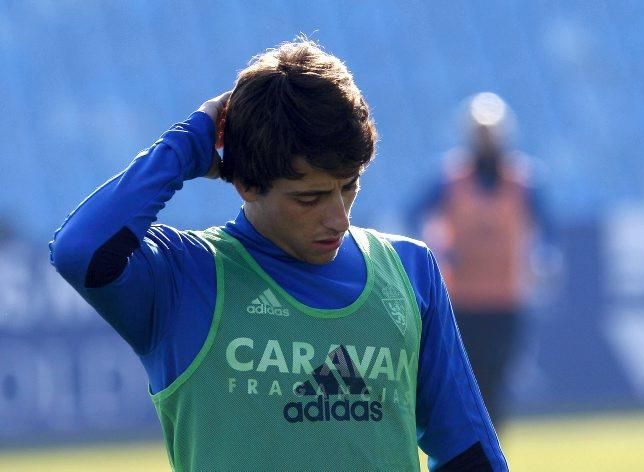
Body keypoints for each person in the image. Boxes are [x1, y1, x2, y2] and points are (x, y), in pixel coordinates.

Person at [49, 39, 506, 471]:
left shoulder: (409, 271)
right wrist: (189, 143)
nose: (339, 218)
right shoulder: (182, 277)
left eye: (348, 187)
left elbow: (468, 451)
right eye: (309, 199)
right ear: (246, 184)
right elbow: (78, 249)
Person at [412, 92, 553, 433]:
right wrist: (439, 250)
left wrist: (541, 260)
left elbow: (548, 231)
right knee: (463, 382)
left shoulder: (523, 181)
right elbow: (414, 216)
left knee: (497, 381)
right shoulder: (450, 179)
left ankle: (490, 452)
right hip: (462, 300)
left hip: (506, 299)